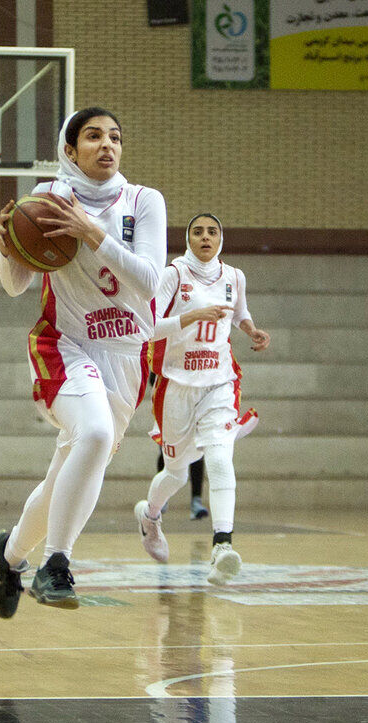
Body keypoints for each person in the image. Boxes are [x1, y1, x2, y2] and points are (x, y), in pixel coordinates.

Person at [0, 106, 167, 617]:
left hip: (128, 354)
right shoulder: (47, 199)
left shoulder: (143, 201)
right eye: (93, 137)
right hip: (64, 343)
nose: (107, 145)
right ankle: (55, 565)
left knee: (68, 472)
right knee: (92, 435)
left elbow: (151, 281)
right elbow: (14, 285)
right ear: (70, 151)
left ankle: (11, 555)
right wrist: (7, 247)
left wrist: (92, 233)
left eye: (115, 136)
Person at [133, 212, 268, 583]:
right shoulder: (172, 275)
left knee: (220, 458)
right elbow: (146, 327)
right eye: (197, 231)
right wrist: (190, 317)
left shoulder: (235, 277)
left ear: (221, 238)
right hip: (176, 384)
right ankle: (150, 517)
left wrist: (251, 329)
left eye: (212, 231)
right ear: (187, 238)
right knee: (176, 472)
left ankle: (222, 545)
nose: (205, 237)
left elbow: (239, 313)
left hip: (219, 382)